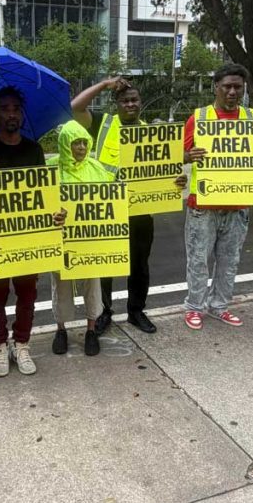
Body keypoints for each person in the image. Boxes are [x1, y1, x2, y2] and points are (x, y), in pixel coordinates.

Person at [71, 77, 186, 335]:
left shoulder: (152, 133)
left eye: (134, 100)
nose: (130, 104)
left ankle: (136, 311)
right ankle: (104, 313)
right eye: (125, 101)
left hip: (140, 210)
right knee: (107, 264)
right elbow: (75, 107)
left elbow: (165, 171)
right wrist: (103, 84)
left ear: (140, 103)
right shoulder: (104, 123)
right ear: (117, 104)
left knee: (139, 265)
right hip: (108, 209)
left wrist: (176, 182)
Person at [0, 86, 65, 378]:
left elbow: (44, 193)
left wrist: (55, 213)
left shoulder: (33, 149)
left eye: (16, 108)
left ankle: (22, 343)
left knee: (27, 295)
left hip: (28, 238)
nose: (12, 113)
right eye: (5, 108)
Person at [183, 63, 253, 329]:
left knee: (230, 260)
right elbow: (178, 155)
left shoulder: (250, 118)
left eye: (238, 87)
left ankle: (220, 306)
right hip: (203, 206)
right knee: (198, 260)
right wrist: (189, 156)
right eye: (227, 86)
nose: (233, 92)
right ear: (216, 88)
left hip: (237, 206)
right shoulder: (198, 118)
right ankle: (194, 307)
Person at [48, 120, 112, 356]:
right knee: (61, 285)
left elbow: (111, 198)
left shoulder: (97, 168)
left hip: (90, 238)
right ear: (66, 144)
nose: (82, 147)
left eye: (85, 142)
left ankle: (91, 330)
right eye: (76, 143)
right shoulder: (50, 168)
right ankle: (61, 329)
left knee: (92, 284)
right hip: (61, 238)